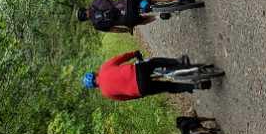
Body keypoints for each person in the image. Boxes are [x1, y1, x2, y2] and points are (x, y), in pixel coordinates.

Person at [82, 51, 212, 101]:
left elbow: (125, 98)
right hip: (138, 71)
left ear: (94, 86)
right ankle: (178, 61)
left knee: (168, 87)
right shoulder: (104, 68)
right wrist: (134, 54)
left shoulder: (106, 93)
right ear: (94, 74)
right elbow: (120, 57)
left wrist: (140, 94)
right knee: (155, 62)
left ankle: (195, 86)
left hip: (141, 88)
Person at [76, 0, 193, 33]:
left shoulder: (97, 26)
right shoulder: (96, 2)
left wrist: (128, 30)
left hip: (128, 19)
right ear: (85, 9)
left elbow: (115, 29)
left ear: (86, 20)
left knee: (141, 20)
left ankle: (158, 17)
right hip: (128, 4)